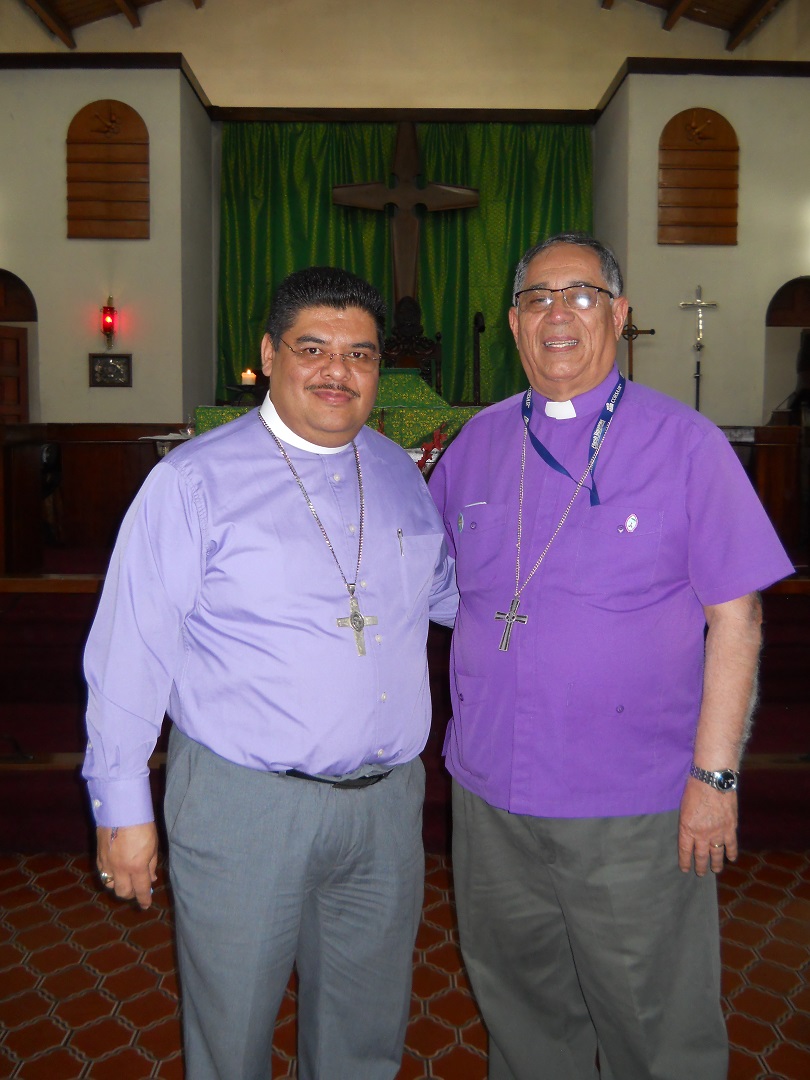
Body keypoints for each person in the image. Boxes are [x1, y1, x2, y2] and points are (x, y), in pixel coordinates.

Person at [428, 233, 794, 1080]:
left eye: (581, 295)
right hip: (491, 797)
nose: (558, 313)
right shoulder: (476, 443)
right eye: (537, 297)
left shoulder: (686, 444)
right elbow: (424, 580)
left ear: (619, 315)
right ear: (514, 323)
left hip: (632, 805)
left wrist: (715, 779)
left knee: (656, 1036)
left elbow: (737, 622)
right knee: (524, 1025)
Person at [82, 266, 458, 1080]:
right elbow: (130, 650)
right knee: (234, 1037)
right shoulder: (192, 482)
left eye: (359, 354)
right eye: (312, 349)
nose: (337, 371)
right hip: (245, 805)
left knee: (366, 1039)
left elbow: (451, 598)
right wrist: (122, 809)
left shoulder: (400, 473)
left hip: (385, 809)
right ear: (269, 353)